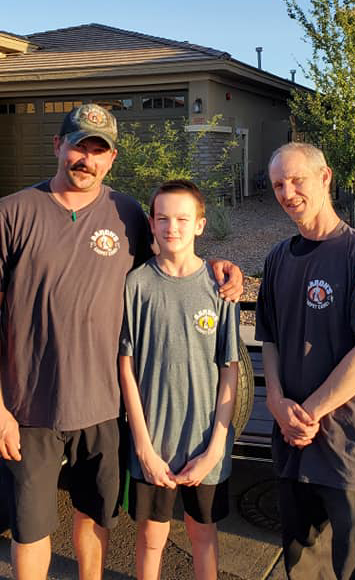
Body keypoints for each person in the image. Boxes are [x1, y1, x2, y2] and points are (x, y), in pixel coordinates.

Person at [0, 104, 242, 580]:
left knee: (94, 518)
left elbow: (173, 264)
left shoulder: (127, 213)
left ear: (111, 159)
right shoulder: (12, 212)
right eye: (78, 145)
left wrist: (220, 267)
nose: (86, 158)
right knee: (31, 530)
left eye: (99, 150)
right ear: (58, 145)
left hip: (103, 408)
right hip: (30, 407)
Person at [256, 142, 355, 580]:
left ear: (325, 178)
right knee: (302, 559)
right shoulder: (277, 259)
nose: (287, 192)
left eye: (297, 180)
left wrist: (309, 413)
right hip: (293, 441)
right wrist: (276, 402)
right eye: (278, 184)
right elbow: (269, 338)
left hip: (350, 442)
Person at [118, 180, 240, 580]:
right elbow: (126, 368)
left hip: (204, 445)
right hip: (154, 446)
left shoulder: (220, 289)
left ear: (200, 225)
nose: (173, 227)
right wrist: (144, 449)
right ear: (151, 224)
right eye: (163, 218)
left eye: (183, 219)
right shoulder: (136, 286)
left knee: (202, 534)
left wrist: (215, 449)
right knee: (152, 536)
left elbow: (230, 370)